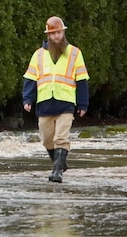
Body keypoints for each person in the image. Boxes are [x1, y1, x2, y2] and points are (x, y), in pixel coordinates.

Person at [22, 15, 89, 183]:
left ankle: (57, 171)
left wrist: (83, 104)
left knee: (61, 138)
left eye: (59, 33)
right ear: (48, 36)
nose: (56, 36)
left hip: (66, 102)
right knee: (46, 138)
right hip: (44, 103)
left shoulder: (74, 53)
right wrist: (27, 99)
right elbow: (30, 78)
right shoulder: (38, 55)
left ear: (63, 33)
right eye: (53, 34)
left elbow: (81, 80)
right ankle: (60, 162)